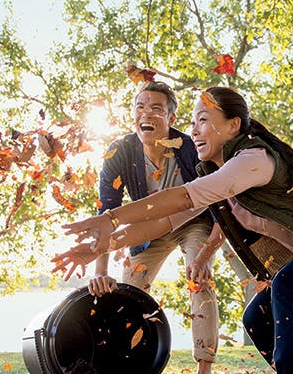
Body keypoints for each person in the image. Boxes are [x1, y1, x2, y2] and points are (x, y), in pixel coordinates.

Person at [52, 87, 293, 374]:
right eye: (192, 122)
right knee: (256, 317)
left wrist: (110, 219)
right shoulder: (220, 174)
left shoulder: (252, 160)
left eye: (203, 120)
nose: (194, 131)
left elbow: (182, 196)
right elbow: (167, 221)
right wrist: (101, 246)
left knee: (288, 288)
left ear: (233, 125)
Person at [91, 81, 219, 374]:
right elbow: (106, 212)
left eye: (156, 109)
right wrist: (100, 271)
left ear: (171, 118)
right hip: (149, 230)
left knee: (199, 277)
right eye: (140, 107)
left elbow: (219, 201)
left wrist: (206, 253)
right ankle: (127, 363)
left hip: (194, 222)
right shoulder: (120, 151)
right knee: (128, 293)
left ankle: (205, 367)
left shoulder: (189, 148)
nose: (146, 113)